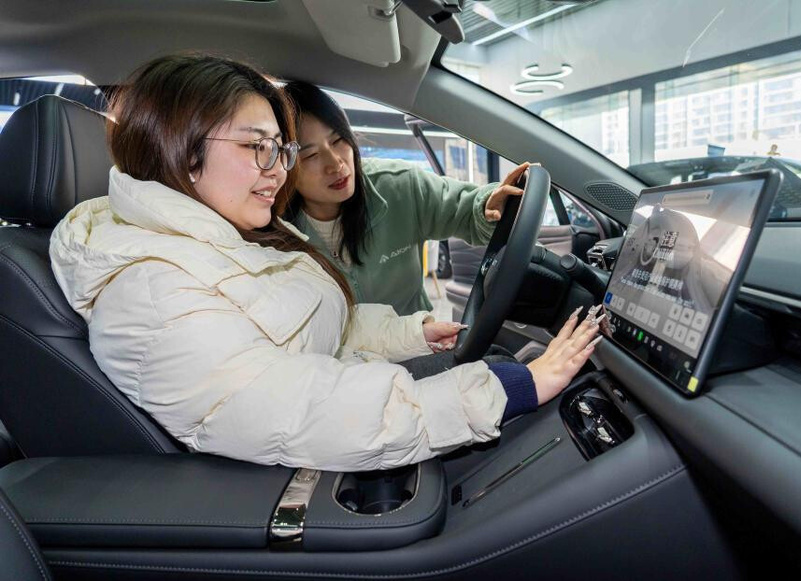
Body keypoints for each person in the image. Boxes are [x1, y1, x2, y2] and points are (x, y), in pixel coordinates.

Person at [49, 54, 604, 472]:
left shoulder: (233, 232)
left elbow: (303, 327)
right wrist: (506, 391)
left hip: (345, 410)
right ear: (179, 150)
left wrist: (411, 331)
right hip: (314, 463)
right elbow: (298, 410)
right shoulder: (152, 289)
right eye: (256, 147)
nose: (277, 169)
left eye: (279, 149)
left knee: (513, 361)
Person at [284, 81, 531, 316]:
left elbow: (466, 211)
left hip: (415, 343)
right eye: (311, 155)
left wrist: (487, 207)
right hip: (337, 358)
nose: (335, 163)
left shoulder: (399, 185)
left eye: (338, 140)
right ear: (285, 168)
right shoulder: (275, 230)